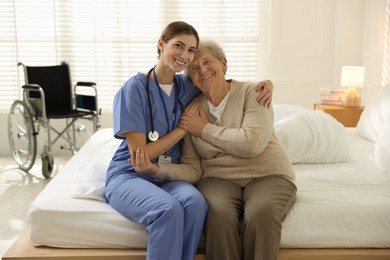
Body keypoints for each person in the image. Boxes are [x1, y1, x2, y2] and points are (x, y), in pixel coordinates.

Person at [105, 21, 274, 260]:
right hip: (131, 173)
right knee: (168, 209)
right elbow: (141, 153)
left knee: (196, 204)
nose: (185, 56)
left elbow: (220, 82)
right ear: (161, 45)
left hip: (167, 174)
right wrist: (183, 129)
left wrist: (266, 84)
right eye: (178, 46)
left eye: (191, 50)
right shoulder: (133, 90)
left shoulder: (187, 84)